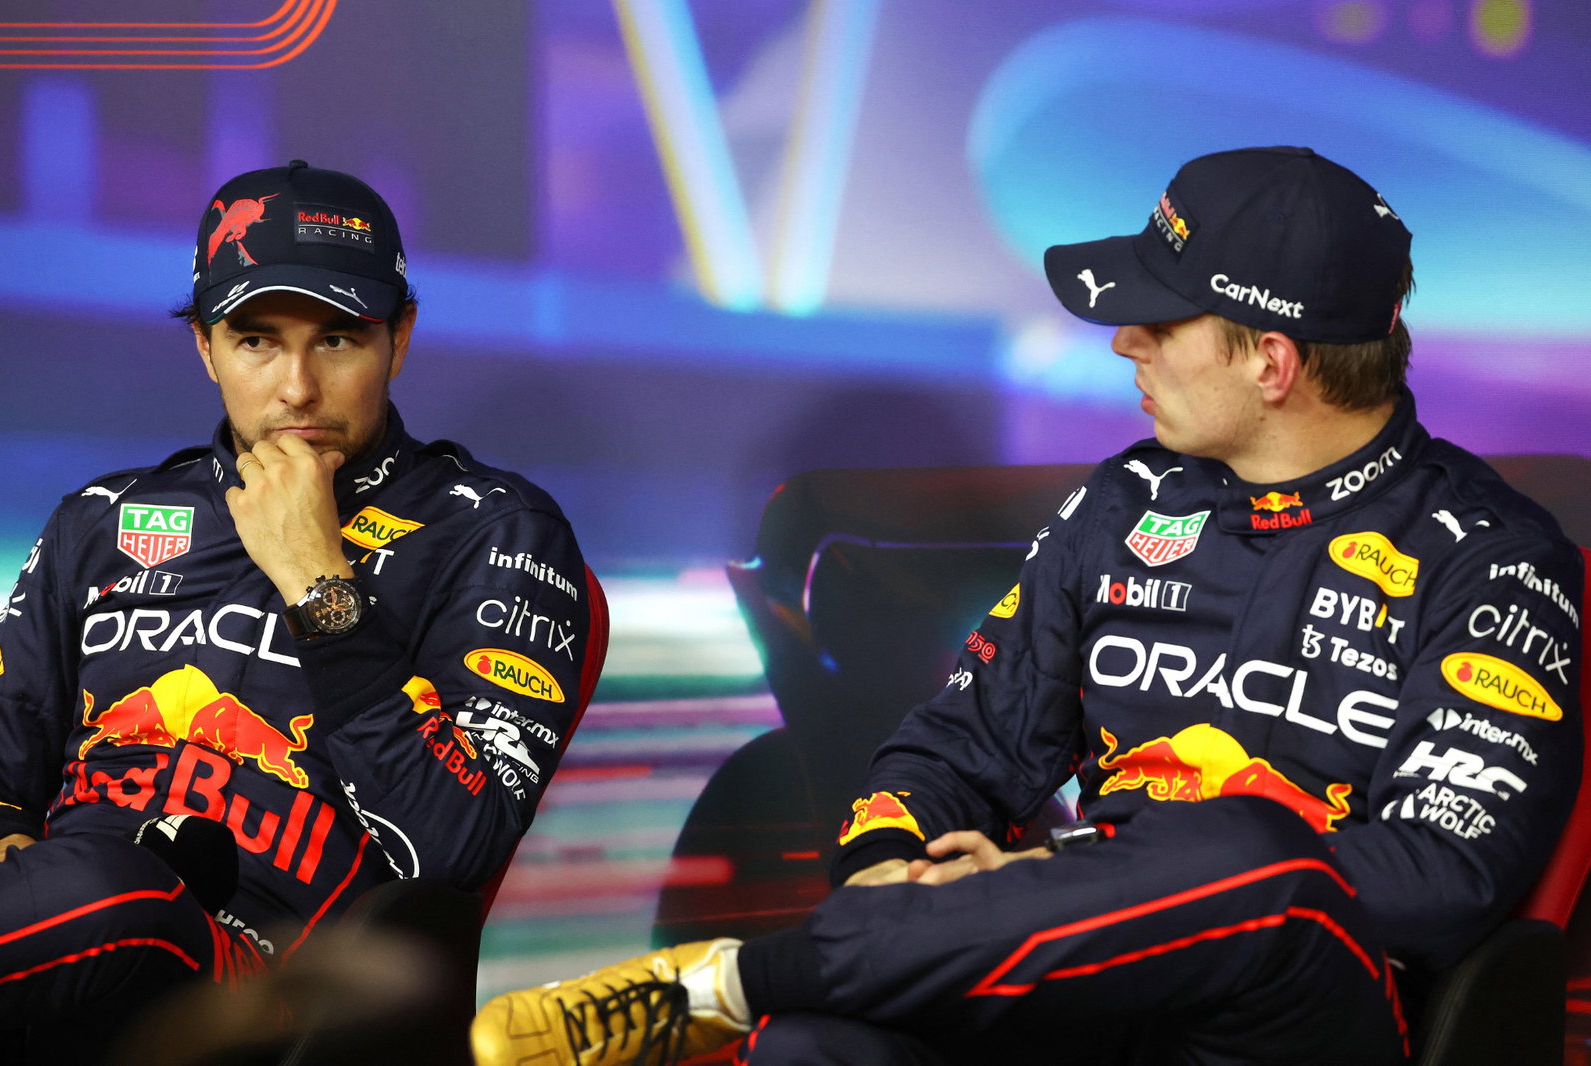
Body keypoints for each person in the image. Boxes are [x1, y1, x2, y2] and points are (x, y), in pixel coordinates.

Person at [470, 146, 1583, 1066]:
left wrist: (1060, 876)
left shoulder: (1495, 563)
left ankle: (727, 979)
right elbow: (959, 744)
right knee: (822, 1043)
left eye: (1161, 319)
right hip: (1069, 982)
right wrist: (893, 867)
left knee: (1260, 853)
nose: (1124, 341)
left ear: (1272, 362)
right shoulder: (1122, 501)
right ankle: (798, 980)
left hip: (1296, 1018)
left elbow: (1438, 879)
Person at [0, 160, 598, 1060]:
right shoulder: (102, 517)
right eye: (257, 340)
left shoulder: (495, 530)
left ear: (400, 336)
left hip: (271, 991)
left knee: (120, 890)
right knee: (89, 883)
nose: (297, 390)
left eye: (339, 340)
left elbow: (452, 857)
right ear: (204, 347)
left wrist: (320, 582)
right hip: (48, 954)